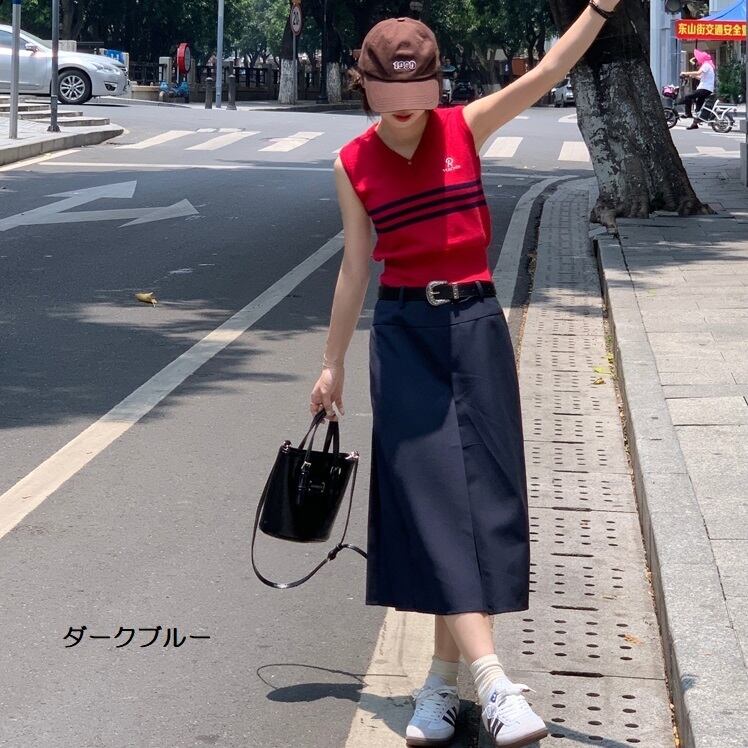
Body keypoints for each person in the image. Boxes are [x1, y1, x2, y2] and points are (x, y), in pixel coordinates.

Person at [310, 2, 621, 746]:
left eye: (418, 93)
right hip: (404, 336)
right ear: (367, 87)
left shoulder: (464, 126)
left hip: (476, 325)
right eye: (392, 94)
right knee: (433, 501)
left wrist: (601, 7)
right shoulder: (352, 163)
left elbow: (552, 68)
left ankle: (440, 684)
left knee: (478, 502)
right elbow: (354, 269)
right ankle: (493, 681)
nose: (407, 110)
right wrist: (332, 363)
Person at [680, 48, 715, 130]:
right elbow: (700, 77)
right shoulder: (708, 66)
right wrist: (691, 76)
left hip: (704, 88)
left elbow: (698, 73)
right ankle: (695, 124)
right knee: (698, 107)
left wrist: (686, 73)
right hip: (706, 89)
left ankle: (688, 113)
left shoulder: (706, 65)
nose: (698, 62)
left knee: (688, 96)